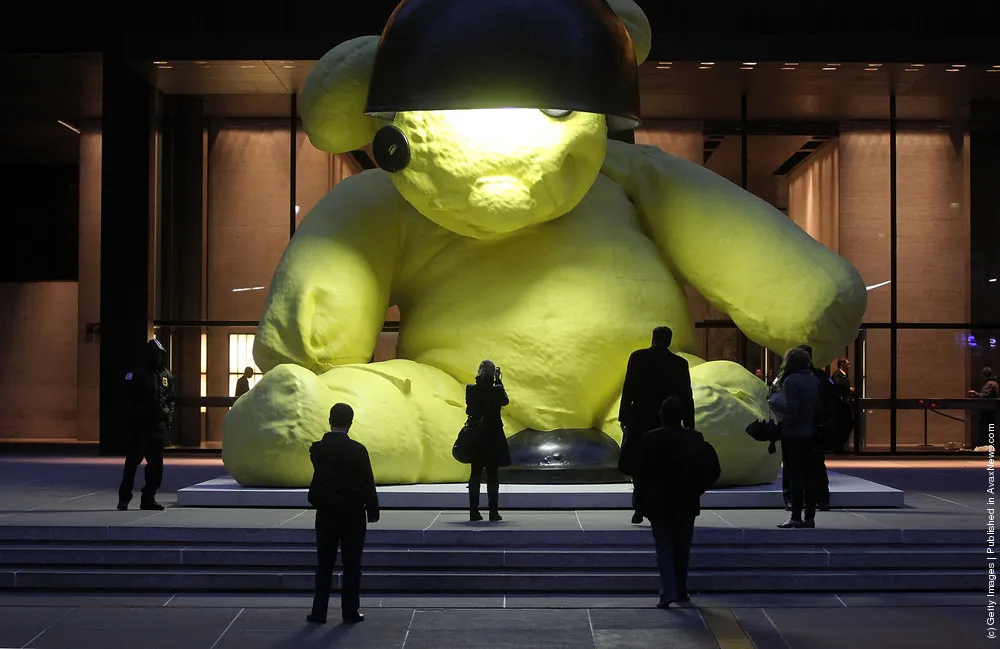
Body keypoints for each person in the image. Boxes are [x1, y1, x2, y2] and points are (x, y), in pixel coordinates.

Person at [634, 397, 718, 608]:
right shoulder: (694, 439)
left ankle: (669, 590)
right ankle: (680, 589)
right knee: (682, 547)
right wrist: (698, 488)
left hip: (659, 501)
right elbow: (713, 469)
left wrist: (641, 501)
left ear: (661, 416)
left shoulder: (649, 440)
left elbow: (640, 474)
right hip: (686, 500)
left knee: (663, 545)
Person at [307, 403, 380, 625]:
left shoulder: (317, 449)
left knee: (324, 565)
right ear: (351, 422)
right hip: (352, 514)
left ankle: (319, 612)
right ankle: (350, 612)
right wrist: (373, 510)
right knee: (352, 565)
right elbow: (367, 482)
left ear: (330, 420)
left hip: (326, 513)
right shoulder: (358, 450)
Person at [618, 326, 694, 524]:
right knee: (666, 466)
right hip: (669, 420)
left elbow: (628, 389)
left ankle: (639, 507)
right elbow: (687, 396)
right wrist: (689, 424)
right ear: (669, 341)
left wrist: (624, 418)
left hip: (641, 419)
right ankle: (661, 506)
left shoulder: (637, 358)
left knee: (640, 465)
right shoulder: (679, 363)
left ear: (653, 339)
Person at [117, 338, 175, 511]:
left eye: (160, 355)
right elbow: (126, 398)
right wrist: (133, 419)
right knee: (132, 463)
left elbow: (171, 400)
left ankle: (148, 498)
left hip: (158, 426)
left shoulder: (167, 375)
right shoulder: (136, 372)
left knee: (156, 465)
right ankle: (124, 497)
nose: (158, 358)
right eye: (155, 355)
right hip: (139, 426)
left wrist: (167, 418)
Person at [770, 347, 821, 529]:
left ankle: (795, 516)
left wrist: (774, 401)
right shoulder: (813, 381)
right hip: (809, 433)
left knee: (795, 477)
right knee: (809, 477)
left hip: (793, 434)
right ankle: (810, 517)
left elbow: (791, 408)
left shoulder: (791, 381)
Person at [779, 345, 832, 511]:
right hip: (814, 429)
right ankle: (818, 503)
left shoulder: (788, 379)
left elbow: (790, 408)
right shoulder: (817, 378)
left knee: (793, 469)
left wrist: (774, 403)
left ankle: (794, 506)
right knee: (814, 468)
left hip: (795, 431)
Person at [466, 359, 511, 522]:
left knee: (475, 475)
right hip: (493, 436)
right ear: (493, 373)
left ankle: (473, 512)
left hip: (477, 437)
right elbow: (505, 401)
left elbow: (469, 410)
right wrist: (499, 380)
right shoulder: (497, 390)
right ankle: (493, 512)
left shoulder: (471, 389)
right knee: (492, 476)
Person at [969, 368, 999, 447]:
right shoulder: (993, 383)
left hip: (987, 410)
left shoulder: (990, 384)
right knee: (990, 427)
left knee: (984, 428)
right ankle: (992, 445)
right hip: (990, 410)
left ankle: (985, 446)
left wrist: (975, 393)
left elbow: (986, 397)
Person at [831, 358, 855, 454]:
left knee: (846, 425)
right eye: (847, 364)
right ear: (842, 364)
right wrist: (849, 390)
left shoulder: (842, 376)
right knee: (845, 425)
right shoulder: (837, 375)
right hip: (842, 405)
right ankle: (838, 448)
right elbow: (837, 385)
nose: (849, 366)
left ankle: (839, 447)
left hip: (843, 404)